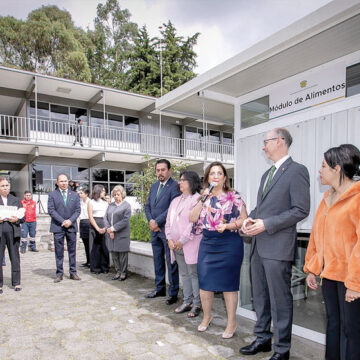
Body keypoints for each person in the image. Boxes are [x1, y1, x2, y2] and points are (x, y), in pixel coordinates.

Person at [240, 128, 310, 360]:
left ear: (280, 141)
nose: (263, 147)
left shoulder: (297, 171)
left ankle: (282, 349)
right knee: (260, 296)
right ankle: (262, 339)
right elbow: (262, 209)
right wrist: (249, 220)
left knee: (280, 300)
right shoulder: (266, 175)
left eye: (266, 142)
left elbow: (301, 209)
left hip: (278, 247)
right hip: (259, 246)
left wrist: (267, 224)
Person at [304, 144, 360, 360]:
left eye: (323, 166)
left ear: (337, 169)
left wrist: (355, 284)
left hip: (350, 280)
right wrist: (312, 268)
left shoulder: (357, 198)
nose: (320, 170)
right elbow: (318, 237)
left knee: (352, 332)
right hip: (330, 277)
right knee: (334, 327)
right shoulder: (327, 198)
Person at [189, 162, 247, 338]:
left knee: (229, 286)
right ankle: (207, 317)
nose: (215, 176)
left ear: (224, 178)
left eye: (219, 173)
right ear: (207, 178)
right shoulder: (203, 197)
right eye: (212, 173)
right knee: (205, 285)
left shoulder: (234, 196)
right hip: (208, 243)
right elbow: (192, 217)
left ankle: (231, 323)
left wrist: (229, 226)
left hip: (229, 243)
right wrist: (203, 199)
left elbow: (244, 220)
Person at [166, 170, 203, 318]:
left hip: (190, 243)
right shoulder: (175, 200)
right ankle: (187, 301)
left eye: (183, 180)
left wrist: (182, 240)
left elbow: (194, 224)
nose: (179, 182)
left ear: (192, 182)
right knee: (184, 274)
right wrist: (169, 238)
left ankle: (197, 304)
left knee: (194, 274)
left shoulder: (197, 199)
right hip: (175, 245)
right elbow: (169, 222)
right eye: (180, 180)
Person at [145, 159, 181, 305]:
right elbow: (147, 206)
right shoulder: (154, 186)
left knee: (170, 262)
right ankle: (159, 288)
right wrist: (151, 222)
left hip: (167, 231)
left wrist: (157, 222)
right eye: (158, 170)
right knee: (158, 261)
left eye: (163, 170)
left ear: (169, 171)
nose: (160, 173)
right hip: (155, 231)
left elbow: (172, 208)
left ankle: (173, 293)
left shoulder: (175, 186)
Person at [48, 174, 81, 283]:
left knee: (72, 251)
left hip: (71, 226)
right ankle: (59, 274)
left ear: (68, 182)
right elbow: (51, 210)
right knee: (59, 251)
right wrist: (62, 221)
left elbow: (77, 210)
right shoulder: (52, 195)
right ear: (57, 183)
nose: (64, 183)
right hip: (58, 227)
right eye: (61, 181)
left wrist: (70, 221)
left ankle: (73, 272)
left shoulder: (75, 195)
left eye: (65, 181)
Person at [0, 176, 25, 293]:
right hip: (0, 231)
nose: (5, 188)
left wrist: (16, 220)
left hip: (13, 231)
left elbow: (23, 216)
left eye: (7, 185)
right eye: (2, 186)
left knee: (14, 257)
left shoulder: (15, 200)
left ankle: (16, 282)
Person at [104, 185, 131, 281]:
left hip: (121, 234)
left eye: (118, 194)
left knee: (122, 255)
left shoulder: (126, 205)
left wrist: (113, 229)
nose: (116, 196)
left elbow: (125, 220)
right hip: (111, 234)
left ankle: (123, 273)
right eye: (114, 195)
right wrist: (108, 229)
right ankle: (118, 271)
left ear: (122, 195)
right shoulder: (111, 205)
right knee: (114, 254)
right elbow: (105, 217)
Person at [88, 184, 109, 274]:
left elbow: (108, 216)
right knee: (95, 248)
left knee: (105, 247)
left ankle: (104, 267)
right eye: (103, 191)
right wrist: (97, 228)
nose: (104, 192)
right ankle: (95, 267)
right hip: (95, 225)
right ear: (98, 191)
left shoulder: (105, 203)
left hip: (104, 224)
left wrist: (105, 227)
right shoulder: (91, 202)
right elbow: (90, 217)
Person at [78, 188, 90, 268]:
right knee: (85, 244)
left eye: (81, 193)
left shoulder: (90, 202)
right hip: (82, 222)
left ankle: (92, 261)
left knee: (90, 243)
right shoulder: (81, 202)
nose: (80, 194)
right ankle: (88, 260)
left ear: (86, 194)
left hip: (88, 222)